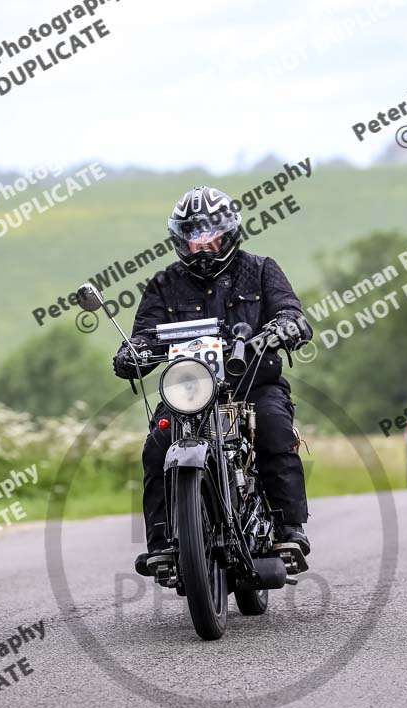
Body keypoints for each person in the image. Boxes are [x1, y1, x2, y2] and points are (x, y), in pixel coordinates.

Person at [113, 186, 313, 576]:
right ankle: (162, 542)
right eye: (193, 236)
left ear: (229, 234)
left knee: (273, 427)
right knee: (157, 445)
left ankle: (289, 527)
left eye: (210, 236)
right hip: (188, 393)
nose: (202, 245)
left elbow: (291, 310)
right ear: (181, 239)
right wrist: (132, 352)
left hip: (252, 384)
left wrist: (287, 325)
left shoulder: (260, 270)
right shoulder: (162, 284)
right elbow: (145, 334)